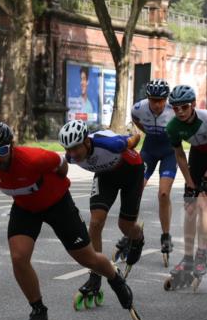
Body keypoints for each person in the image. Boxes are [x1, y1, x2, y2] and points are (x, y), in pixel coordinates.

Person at [0, 122, 140, 320]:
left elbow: (62, 165)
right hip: (25, 208)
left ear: (12, 146)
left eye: (2, 151)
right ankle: (38, 310)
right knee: (18, 257)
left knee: (87, 258)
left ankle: (114, 276)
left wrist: (54, 186)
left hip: (57, 204)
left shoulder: (35, 158)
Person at [59, 120, 146, 302]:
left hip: (132, 172)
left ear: (86, 142)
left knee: (126, 226)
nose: (72, 154)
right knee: (96, 222)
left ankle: (137, 238)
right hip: (106, 176)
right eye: (68, 149)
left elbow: (135, 138)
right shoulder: (71, 157)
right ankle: (95, 275)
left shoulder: (109, 144)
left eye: (75, 148)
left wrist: (134, 136)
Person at [164, 84, 207, 291]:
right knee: (190, 206)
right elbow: (180, 156)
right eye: (176, 108)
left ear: (193, 104)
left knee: (203, 204)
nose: (180, 112)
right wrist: (190, 183)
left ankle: (201, 254)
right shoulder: (173, 127)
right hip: (197, 155)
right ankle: (187, 258)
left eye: (184, 107)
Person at [130, 79, 177, 266]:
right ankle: (131, 231)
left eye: (161, 100)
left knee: (164, 194)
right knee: (135, 190)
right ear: (148, 98)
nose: (157, 104)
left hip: (169, 151)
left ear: (166, 99)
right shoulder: (138, 108)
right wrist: (147, 131)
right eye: (153, 100)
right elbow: (136, 119)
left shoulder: (175, 109)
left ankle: (165, 236)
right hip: (149, 150)